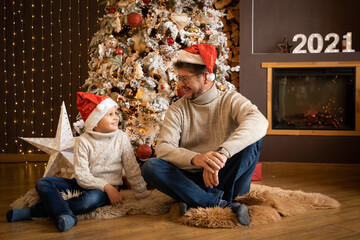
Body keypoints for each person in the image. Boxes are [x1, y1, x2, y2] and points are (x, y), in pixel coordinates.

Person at [141, 43, 268, 226]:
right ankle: (220, 203)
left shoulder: (230, 99)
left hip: (224, 174)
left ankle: (195, 199)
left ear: (207, 76)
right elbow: (163, 149)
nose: (181, 84)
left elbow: (260, 122)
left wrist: (222, 154)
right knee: (151, 167)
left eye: (186, 78)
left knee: (253, 139)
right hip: (191, 176)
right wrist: (198, 159)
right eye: (180, 78)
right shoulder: (177, 110)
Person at [6, 92, 148, 232]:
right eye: (109, 114)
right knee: (44, 182)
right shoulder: (83, 141)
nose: (116, 118)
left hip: (103, 191)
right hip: (84, 183)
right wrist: (106, 186)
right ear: (95, 122)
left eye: (115, 113)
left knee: (88, 201)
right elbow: (82, 176)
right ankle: (65, 215)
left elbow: (132, 169)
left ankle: (33, 212)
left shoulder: (121, 137)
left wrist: (142, 195)